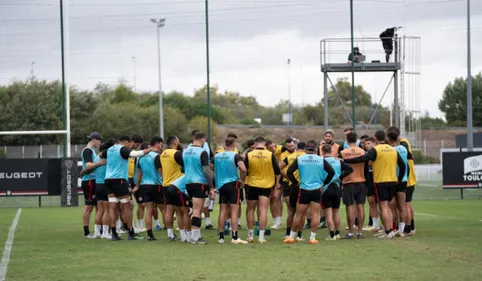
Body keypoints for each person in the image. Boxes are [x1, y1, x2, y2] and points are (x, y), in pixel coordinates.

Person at [343, 130, 406, 239]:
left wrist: (345, 160)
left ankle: (387, 232)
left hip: (381, 181)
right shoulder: (393, 149)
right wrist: (399, 179)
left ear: (375, 139)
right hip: (393, 181)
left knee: (383, 206)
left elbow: (362, 158)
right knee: (388, 207)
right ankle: (390, 230)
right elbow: (403, 165)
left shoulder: (375, 150)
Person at [104, 135, 155, 241]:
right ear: (127, 142)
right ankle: (131, 232)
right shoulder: (123, 148)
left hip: (108, 180)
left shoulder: (109, 149)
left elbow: (101, 155)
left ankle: (114, 233)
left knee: (112, 207)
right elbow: (134, 154)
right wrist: (149, 149)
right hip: (119, 180)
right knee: (128, 206)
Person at [284, 140, 335, 244]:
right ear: (316, 149)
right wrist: (324, 183)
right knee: (315, 214)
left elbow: (289, 172)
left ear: (305, 149)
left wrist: (295, 182)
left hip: (304, 189)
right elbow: (331, 172)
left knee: (299, 214)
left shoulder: (300, 159)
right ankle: (312, 238)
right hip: (316, 189)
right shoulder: (320, 159)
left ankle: (291, 237)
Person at [244, 136, 281, 243]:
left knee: (250, 210)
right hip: (266, 185)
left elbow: (244, 169)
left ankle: (250, 236)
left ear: (255, 144)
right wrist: (277, 182)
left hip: (252, 184)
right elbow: (277, 171)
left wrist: (243, 179)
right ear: (264, 144)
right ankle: (261, 237)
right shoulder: (270, 154)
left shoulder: (249, 154)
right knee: (263, 210)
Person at [214, 137, 249, 244]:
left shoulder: (217, 156)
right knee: (234, 211)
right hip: (233, 185)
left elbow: (210, 167)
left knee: (222, 211)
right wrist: (242, 180)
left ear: (224, 145)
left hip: (221, 186)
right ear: (234, 146)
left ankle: (221, 237)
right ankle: (234, 237)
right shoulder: (235, 155)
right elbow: (243, 168)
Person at [183, 132, 215, 244]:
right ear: (203, 140)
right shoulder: (202, 152)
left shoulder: (185, 151)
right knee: (197, 210)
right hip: (199, 183)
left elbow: (183, 168)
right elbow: (206, 171)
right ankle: (195, 238)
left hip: (188, 183)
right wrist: (211, 187)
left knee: (195, 209)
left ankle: (196, 235)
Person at [387, 126, 417, 235]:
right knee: (406, 205)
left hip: (403, 179)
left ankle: (406, 228)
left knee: (403, 205)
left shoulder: (402, 144)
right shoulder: (404, 146)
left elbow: (406, 162)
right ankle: (409, 227)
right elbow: (412, 157)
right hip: (406, 178)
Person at [321, 144, 353, 241]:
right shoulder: (337, 161)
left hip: (326, 188)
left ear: (322, 151)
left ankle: (331, 235)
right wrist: (340, 177)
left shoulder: (320, 161)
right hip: (337, 187)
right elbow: (350, 169)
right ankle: (338, 233)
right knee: (336, 212)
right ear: (331, 151)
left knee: (328, 213)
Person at [135, 137, 163, 241]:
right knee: (164, 209)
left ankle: (150, 235)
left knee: (149, 210)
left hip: (144, 185)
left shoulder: (140, 157)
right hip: (157, 185)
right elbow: (160, 171)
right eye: (161, 144)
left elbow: (139, 173)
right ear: (157, 144)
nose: (161, 147)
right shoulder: (156, 156)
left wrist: (137, 186)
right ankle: (170, 233)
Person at [339, 132, 366, 239]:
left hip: (348, 182)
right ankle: (360, 232)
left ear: (347, 139)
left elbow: (339, 167)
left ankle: (350, 232)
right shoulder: (362, 151)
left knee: (349, 207)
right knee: (361, 207)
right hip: (361, 181)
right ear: (357, 139)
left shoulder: (343, 152)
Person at [279, 142, 306, 241]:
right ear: (305, 149)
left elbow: (279, 168)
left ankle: (287, 234)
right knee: (301, 212)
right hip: (304, 186)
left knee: (291, 210)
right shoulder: (306, 157)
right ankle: (299, 235)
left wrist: (288, 178)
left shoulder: (290, 157)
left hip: (293, 186)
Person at [160, 136, 185, 241]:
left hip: (165, 184)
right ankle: (184, 236)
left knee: (169, 210)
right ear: (175, 142)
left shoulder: (163, 154)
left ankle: (170, 234)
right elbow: (185, 167)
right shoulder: (176, 153)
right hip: (176, 185)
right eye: (178, 140)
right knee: (180, 212)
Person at [80, 132, 105, 238]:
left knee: (97, 207)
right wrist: (100, 163)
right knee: (89, 206)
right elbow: (89, 165)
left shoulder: (92, 151)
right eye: (99, 141)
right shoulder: (87, 150)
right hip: (89, 181)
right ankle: (86, 232)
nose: (100, 143)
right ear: (94, 140)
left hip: (93, 180)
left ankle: (98, 231)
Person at [272, 138, 296, 229]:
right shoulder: (283, 155)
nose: (291, 147)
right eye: (289, 146)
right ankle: (287, 222)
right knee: (288, 202)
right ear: (286, 146)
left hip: (297, 181)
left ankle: (297, 222)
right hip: (286, 181)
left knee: (296, 203)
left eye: (292, 145)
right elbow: (279, 169)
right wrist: (284, 178)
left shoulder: (298, 154)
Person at [362, 137, 381, 232]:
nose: (366, 145)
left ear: (375, 143)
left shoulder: (379, 153)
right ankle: (375, 225)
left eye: (368, 143)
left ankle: (387, 225)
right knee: (371, 202)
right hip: (369, 181)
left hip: (379, 181)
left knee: (382, 204)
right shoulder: (365, 155)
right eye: (365, 144)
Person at [165, 175, 192, 243]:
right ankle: (189, 236)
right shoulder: (193, 175)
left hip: (170, 187)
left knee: (179, 213)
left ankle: (183, 237)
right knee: (186, 212)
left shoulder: (187, 174)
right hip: (178, 189)